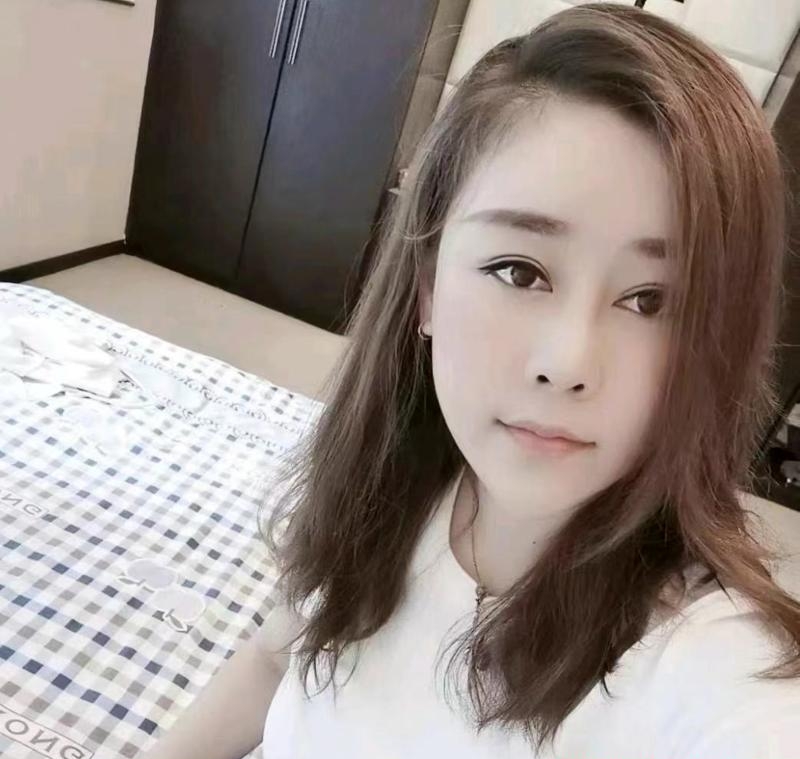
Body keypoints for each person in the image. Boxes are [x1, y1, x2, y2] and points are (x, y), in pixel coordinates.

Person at [139, 4, 800, 758]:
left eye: (652, 301)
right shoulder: (389, 479)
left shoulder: (713, 667)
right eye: (519, 271)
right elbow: (272, 657)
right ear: (427, 289)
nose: (568, 362)